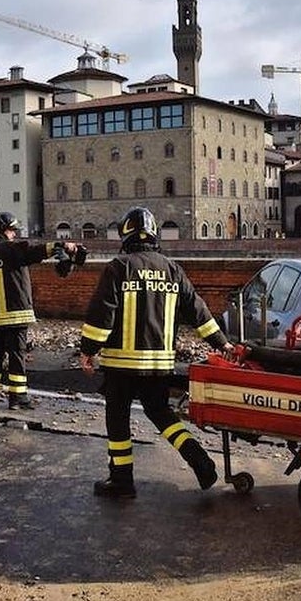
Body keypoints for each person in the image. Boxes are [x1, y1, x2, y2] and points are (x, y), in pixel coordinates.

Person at [78, 207, 234, 499]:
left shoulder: (119, 266)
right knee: (161, 414)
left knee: (118, 417)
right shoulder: (172, 268)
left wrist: (88, 350)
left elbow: (102, 314)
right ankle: (201, 462)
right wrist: (220, 343)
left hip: (121, 365)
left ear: (125, 234)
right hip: (159, 364)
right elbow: (197, 310)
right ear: (154, 235)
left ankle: (122, 481)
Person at [0, 212, 80, 410]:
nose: (14, 234)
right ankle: (18, 397)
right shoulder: (12, 249)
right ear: (5, 231)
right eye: (12, 230)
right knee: (16, 355)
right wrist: (61, 246)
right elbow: (37, 251)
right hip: (15, 315)